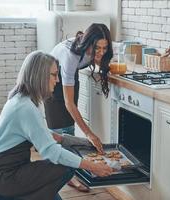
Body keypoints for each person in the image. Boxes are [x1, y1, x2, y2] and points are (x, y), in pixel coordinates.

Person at [0, 51, 113, 200]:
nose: (57, 80)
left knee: (66, 160)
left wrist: (86, 143)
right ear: (39, 76)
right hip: (4, 177)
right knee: (67, 165)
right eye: (54, 75)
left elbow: (50, 136)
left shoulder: (21, 99)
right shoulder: (26, 108)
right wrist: (93, 167)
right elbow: (52, 152)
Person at [44, 23, 113, 192]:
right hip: (52, 79)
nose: (101, 52)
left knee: (69, 131)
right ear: (88, 43)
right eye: (97, 48)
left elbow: (103, 56)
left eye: (105, 48)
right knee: (60, 132)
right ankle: (54, 179)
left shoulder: (97, 49)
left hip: (70, 76)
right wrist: (89, 133)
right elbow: (69, 103)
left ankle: (69, 173)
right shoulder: (70, 56)